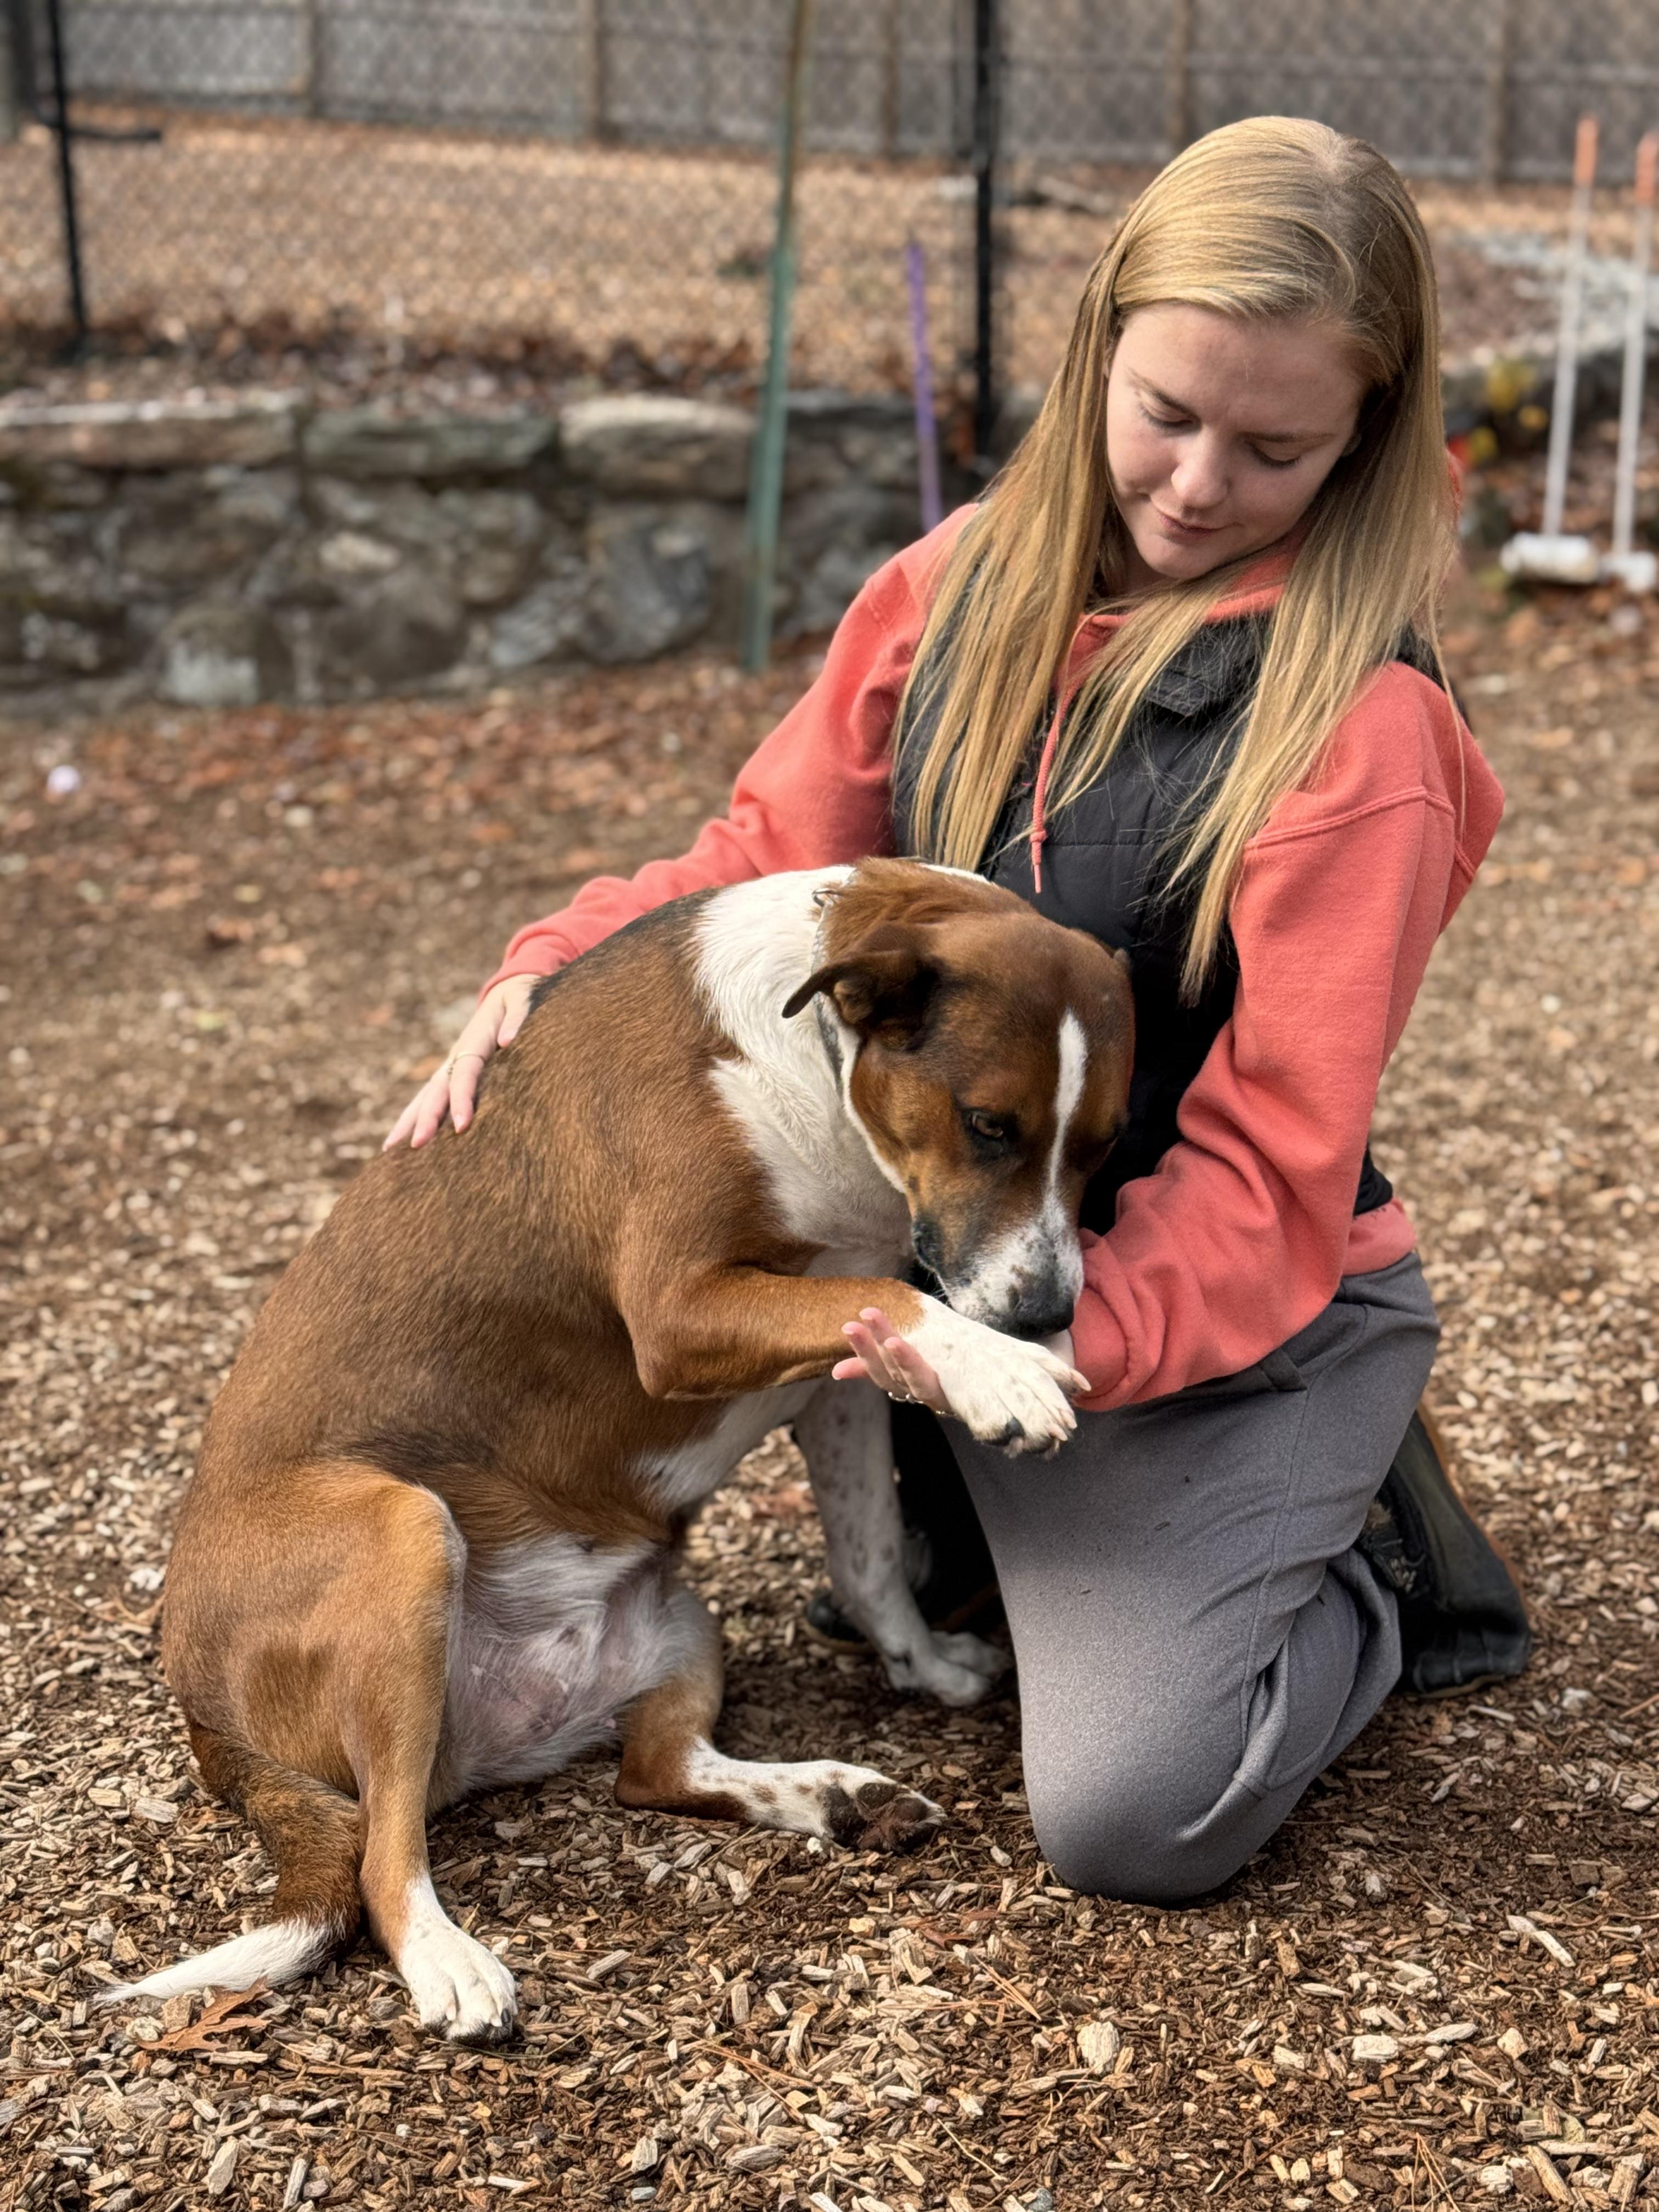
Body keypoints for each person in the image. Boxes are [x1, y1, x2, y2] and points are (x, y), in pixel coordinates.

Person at [385, 117, 1531, 1903]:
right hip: (984, 1284)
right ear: (1096, 354)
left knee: (1135, 1811)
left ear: (1370, 436)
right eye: (1165, 411)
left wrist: (1038, 1354)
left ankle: (1367, 1560)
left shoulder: (1356, 737)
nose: (1197, 484)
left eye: (1276, 446)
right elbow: (764, 862)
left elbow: (1273, 1162)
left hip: (1222, 1306)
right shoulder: (952, 589)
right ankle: (1037, 1515)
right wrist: (550, 966)